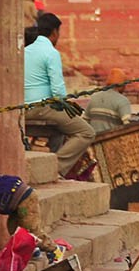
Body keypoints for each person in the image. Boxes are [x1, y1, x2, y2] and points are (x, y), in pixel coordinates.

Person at [23, 13, 95, 177]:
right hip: (42, 108)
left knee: (61, 129)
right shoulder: (50, 52)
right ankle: (55, 169)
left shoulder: (25, 51)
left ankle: (51, 163)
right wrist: (69, 106)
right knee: (86, 132)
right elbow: (58, 92)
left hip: (24, 107)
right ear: (55, 32)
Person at [0, 153, 53, 251]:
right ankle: (31, 251)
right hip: (20, 201)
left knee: (30, 230)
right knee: (15, 230)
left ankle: (53, 249)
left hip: (24, 202)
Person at [85, 69, 134, 134]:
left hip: (93, 139)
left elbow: (85, 120)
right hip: (111, 140)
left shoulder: (94, 97)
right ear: (122, 85)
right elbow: (128, 125)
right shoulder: (122, 100)